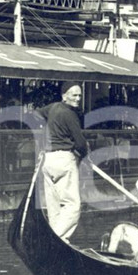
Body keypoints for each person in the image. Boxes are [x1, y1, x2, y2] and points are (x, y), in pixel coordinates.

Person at [40, 81, 88, 241]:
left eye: (80, 95)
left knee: (54, 206)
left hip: (48, 160)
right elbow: (80, 143)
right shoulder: (70, 114)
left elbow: (36, 114)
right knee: (73, 206)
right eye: (74, 95)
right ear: (64, 96)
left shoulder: (53, 108)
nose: (78, 98)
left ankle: (53, 237)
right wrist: (82, 154)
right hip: (64, 160)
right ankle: (56, 239)